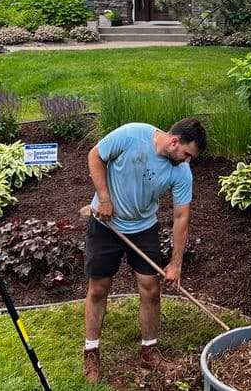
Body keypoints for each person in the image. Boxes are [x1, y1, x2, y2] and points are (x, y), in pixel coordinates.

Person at [82, 117, 207, 383]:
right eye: (187, 154)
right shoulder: (131, 135)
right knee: (98, 288)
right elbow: (95, 155)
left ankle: (149, 351)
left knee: (151, 288)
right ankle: (91, 351)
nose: (188, 161)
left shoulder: (182, 171)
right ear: (175, 142)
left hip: (143, 227)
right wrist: (104, 198)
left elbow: (181, 217)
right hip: (107, 223)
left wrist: (176, 263)